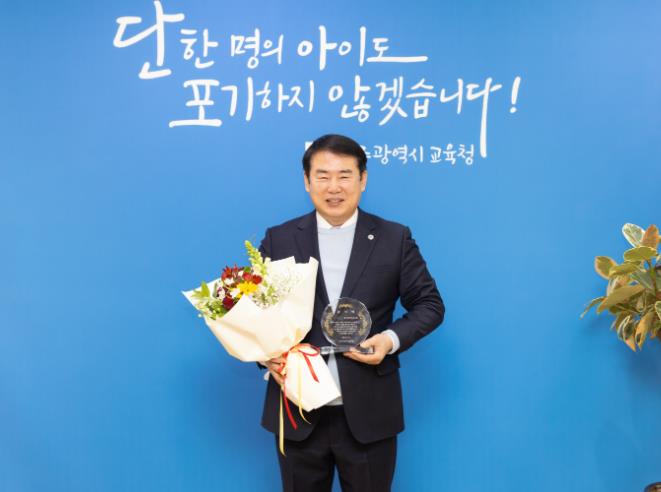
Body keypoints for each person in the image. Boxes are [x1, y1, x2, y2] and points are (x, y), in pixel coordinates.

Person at [259, 134, 445, 492]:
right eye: (323, 175)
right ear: (307, 180)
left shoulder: (394, 238)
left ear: (363, 179)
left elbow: (430, 305)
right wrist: (267, 356)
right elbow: (258, 312)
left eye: (345, 175)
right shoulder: (279, 239)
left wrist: (389, 340)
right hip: (297, 411)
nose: (334, 187)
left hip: (369, 412)